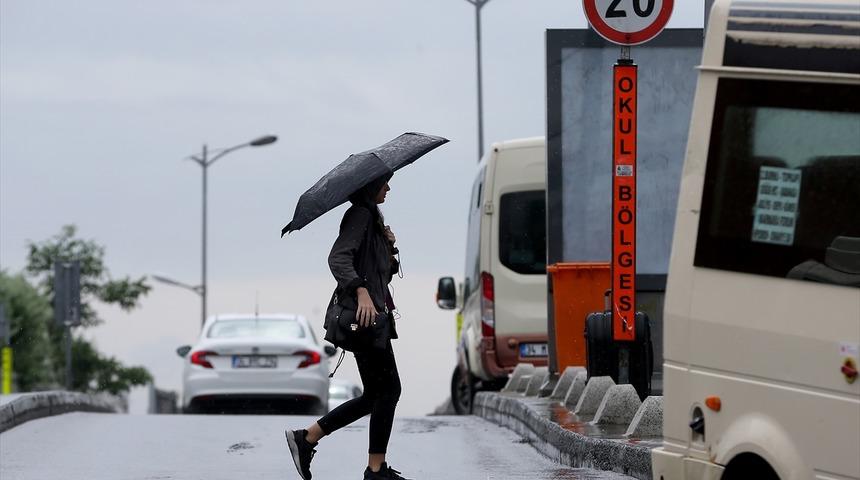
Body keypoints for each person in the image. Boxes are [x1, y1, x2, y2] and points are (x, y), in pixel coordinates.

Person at [286, 173, 409, 480]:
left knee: (376, 394)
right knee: (388, 390)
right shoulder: (360, 214)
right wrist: (361, 291)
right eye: (384, 182)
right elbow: (338, 258)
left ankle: (309, 438)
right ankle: (374, 468)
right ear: (371, 186)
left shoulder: (371, 220)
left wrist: (389, 247)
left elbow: (380, 274)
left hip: (372, 320)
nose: (388, 188)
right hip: (364, 319)